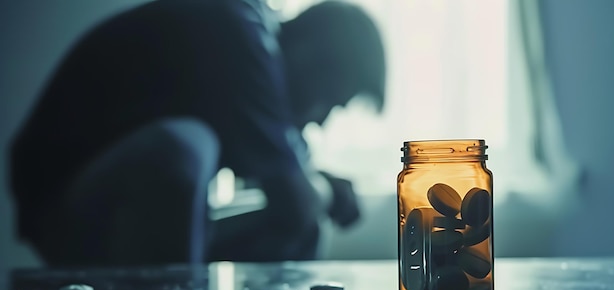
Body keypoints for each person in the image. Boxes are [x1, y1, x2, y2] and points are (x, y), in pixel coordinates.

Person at [9, 0, 386, 266]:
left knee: (298, 229)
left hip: (119, 213)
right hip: (61, 211)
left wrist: (315, 184)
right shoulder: (241, 33)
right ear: (309, 54)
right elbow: (296, 199)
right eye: (331, 101)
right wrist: (322, 187)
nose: (321, 121)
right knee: (184, 145)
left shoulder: (257, 60)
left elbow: (298, 201)